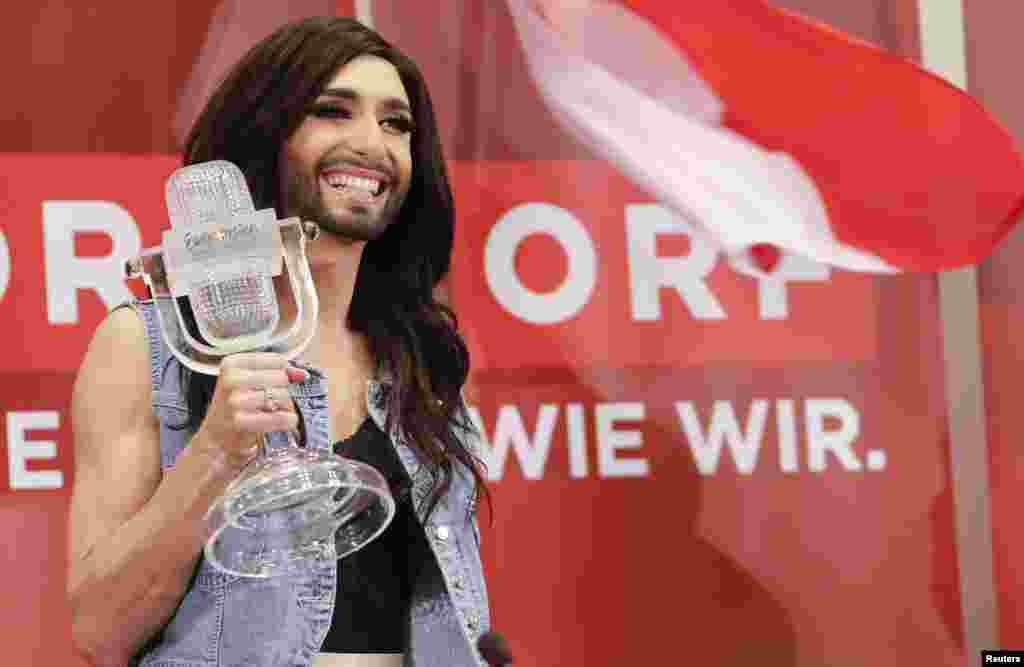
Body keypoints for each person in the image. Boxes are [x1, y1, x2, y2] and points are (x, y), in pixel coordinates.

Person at [66, 16, 490, 667]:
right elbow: (98, 629)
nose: (371, 144)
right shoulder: (145, 344)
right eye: (332, 110)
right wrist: (215, 451)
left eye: (396, 123)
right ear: (265, 133)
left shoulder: (423, 360)